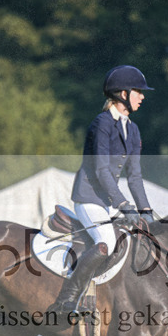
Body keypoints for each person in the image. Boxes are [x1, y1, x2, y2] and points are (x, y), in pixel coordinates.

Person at [49, 65, 155, 315]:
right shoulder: (102, 124)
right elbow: (100, 170)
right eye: (138, 91)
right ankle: (68, 298)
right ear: (122, 94)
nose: (142, 96)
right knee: (106, 241)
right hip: (88, 199)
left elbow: (135, 177)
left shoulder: (134, 130)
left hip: (105, 203)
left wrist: (146, 210)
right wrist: (124, 205)